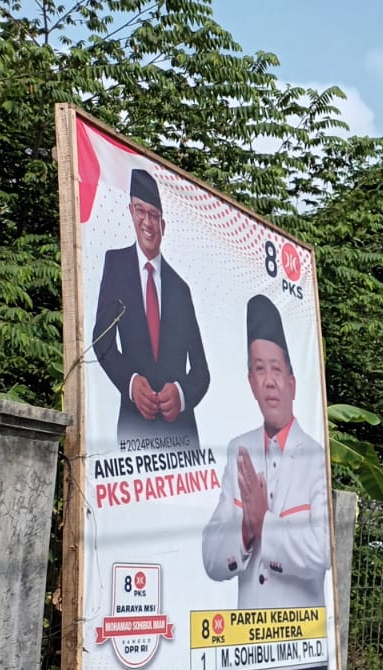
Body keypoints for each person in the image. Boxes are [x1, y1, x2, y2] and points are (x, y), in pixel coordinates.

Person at [201, 295, 329, 608]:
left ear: (292, 383)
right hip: (249, 646)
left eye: (276, 369)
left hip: (301, 642)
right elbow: (211, 558)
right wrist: (245, 529)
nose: (269, 381)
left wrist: (263, 522)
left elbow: (322, 550)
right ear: (251, 382)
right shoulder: (239, 450)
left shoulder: (315, 457)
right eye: (260, 369)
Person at [93, 168, 210, 449]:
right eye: (141, 211)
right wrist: (131, 383)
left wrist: (181, 395)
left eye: (154, 215)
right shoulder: (115, 266)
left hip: (181, 435)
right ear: (131, 212)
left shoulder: (181, 289)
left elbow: (201, 371)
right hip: (135, 431)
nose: (147, 222)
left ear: (163, 225)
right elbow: (102, 342)